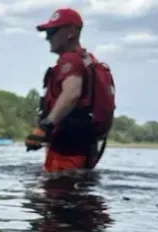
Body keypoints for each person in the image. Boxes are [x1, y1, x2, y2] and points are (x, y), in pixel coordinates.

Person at [25, 8, 116, 173]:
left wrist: (45, 127)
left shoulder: (71, 59)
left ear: (70, 32)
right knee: (75, 192)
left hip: (67, 148)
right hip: (82, 146)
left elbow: (72, 93)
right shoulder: (86, 59)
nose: (47, 37)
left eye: (52, 32)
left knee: (57, 193)